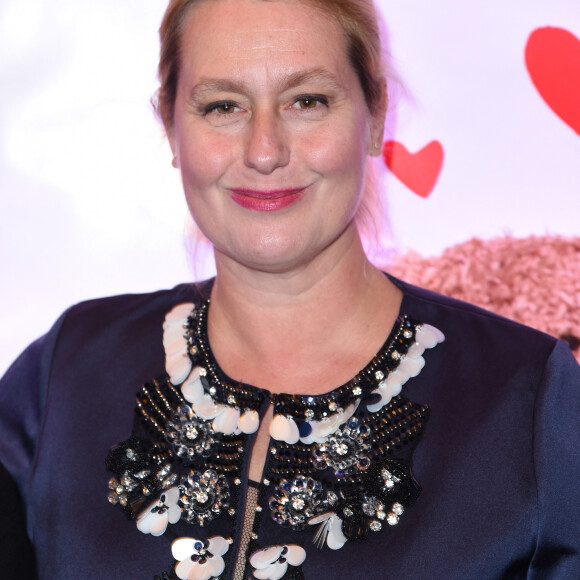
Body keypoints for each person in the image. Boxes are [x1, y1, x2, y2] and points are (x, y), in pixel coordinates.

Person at [1, 0, 579, 578]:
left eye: (307, 101)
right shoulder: (65, 373)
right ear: (171, 128)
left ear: (376, 115)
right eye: (223, 106)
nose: (264, 151)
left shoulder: (529, 402)